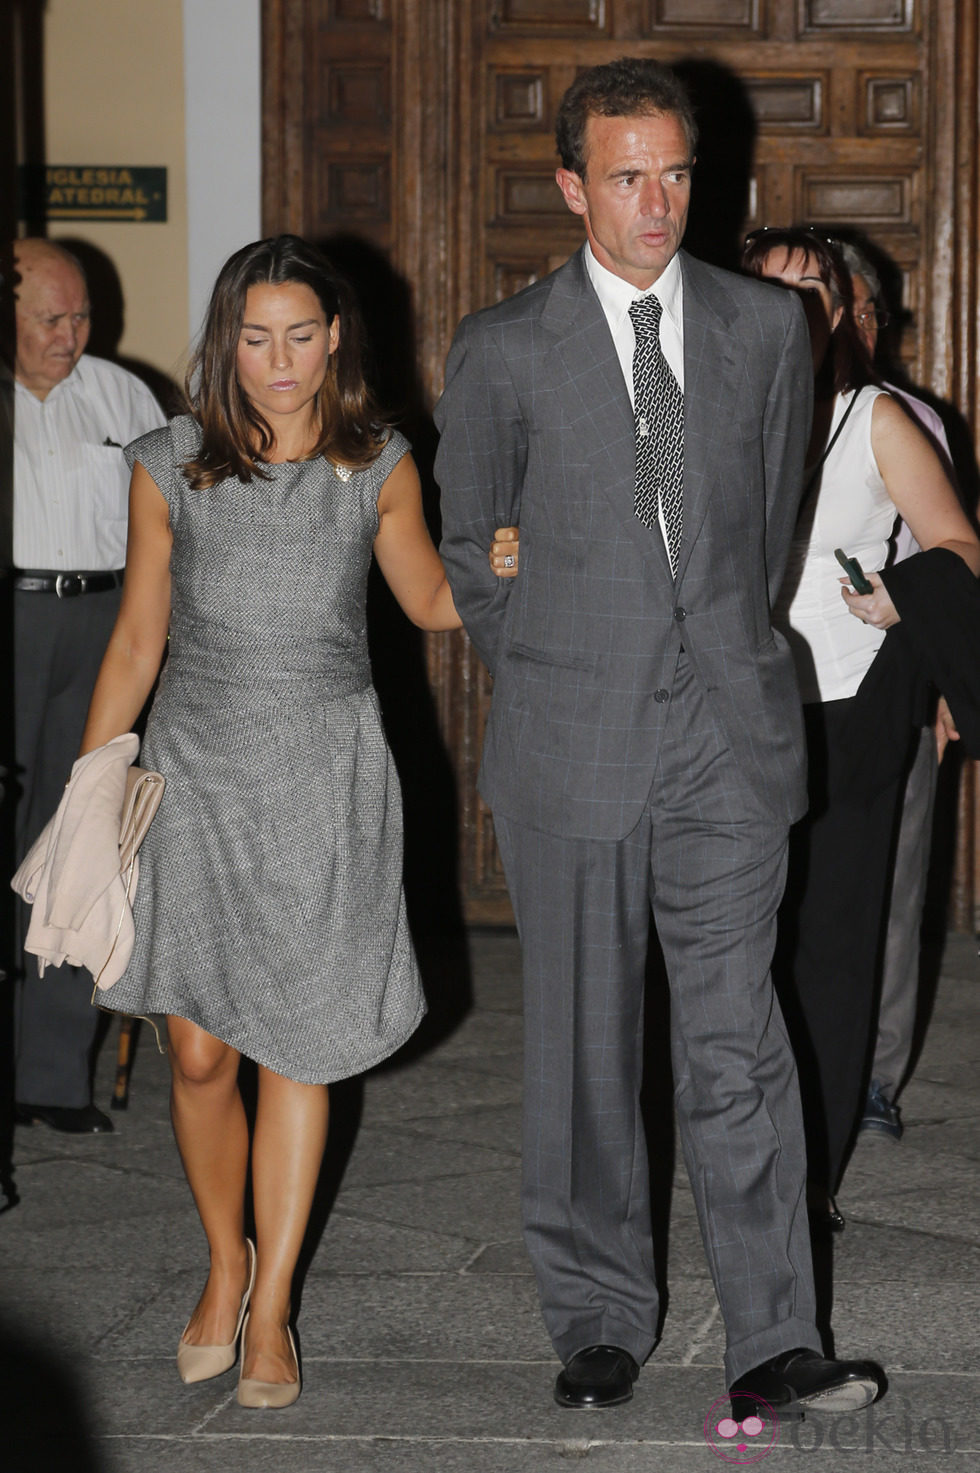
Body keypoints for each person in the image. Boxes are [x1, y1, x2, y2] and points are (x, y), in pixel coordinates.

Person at [435, 56, 883, 1420]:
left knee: (736, 1036)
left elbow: (763, 523)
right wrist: (568, 670)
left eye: (678, 172)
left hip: (730, 736)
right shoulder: (505, 348)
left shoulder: (765, 328)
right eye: (628, 175)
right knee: (583, 1044)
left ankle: (773, 1336)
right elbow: (473, 548)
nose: (659, 200)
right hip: (572, 736)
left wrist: (710, 659)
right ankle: (598, 1314)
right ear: (573, 185)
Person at [74, 234, 515, 1408]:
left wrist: (499, 559)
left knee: (299, 1045)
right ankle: (226, 1263)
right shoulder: (171, 461)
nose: (281, 361)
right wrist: (91, 785)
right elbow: (134, 639)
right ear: (228, 341)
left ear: (336, 340)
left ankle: (271, 1315)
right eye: (258, 337)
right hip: (197, 778)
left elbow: (426, 598)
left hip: (325, 777)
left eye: (303, 335)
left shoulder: (375, 462)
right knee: (202, 1053)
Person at [742, 226, 980, 1222]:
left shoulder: (876, 416)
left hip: (845, 709)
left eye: (812, 290)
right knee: (737, 943)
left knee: (830, 947)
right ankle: (740, 1147)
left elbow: (957, 545)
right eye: (769, 291)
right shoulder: (696, 412)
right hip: (727, 711)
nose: (792, 307)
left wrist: (899, 594)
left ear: (842, 310)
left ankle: (810, 1169)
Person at [12, 238, 165, 1135]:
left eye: (81, 320)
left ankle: (52, 1076)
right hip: (14, 613)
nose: (69, 337)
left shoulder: (123, 394)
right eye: (49, 320)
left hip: (101, 625)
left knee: (80, 830)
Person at [840, 240, 955, 1143]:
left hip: (893, 682)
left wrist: (948, 679)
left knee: (894, 881)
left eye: (863, 308)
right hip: (776, 688)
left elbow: (944, 560)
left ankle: (875, 1073)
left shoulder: (904, 416)